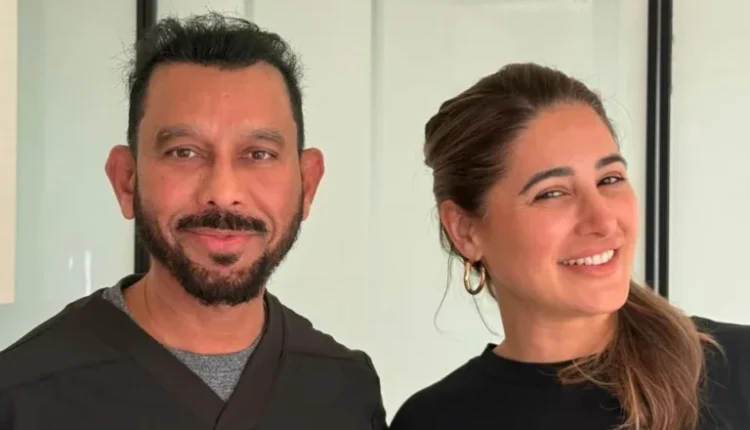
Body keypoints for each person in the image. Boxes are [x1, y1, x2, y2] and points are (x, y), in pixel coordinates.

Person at [0, 13, 387, 430]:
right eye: (184, 152)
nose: (223, 191)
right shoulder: (22, 395)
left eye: (258, 154)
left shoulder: (346, 390)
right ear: (126, 180)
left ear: (307, 184)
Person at [389, 63, 750, 430]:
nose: (603, 221)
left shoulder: (738, 370)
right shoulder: (433, 421)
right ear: (465, 231)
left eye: (610, 179)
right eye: (552, 193)